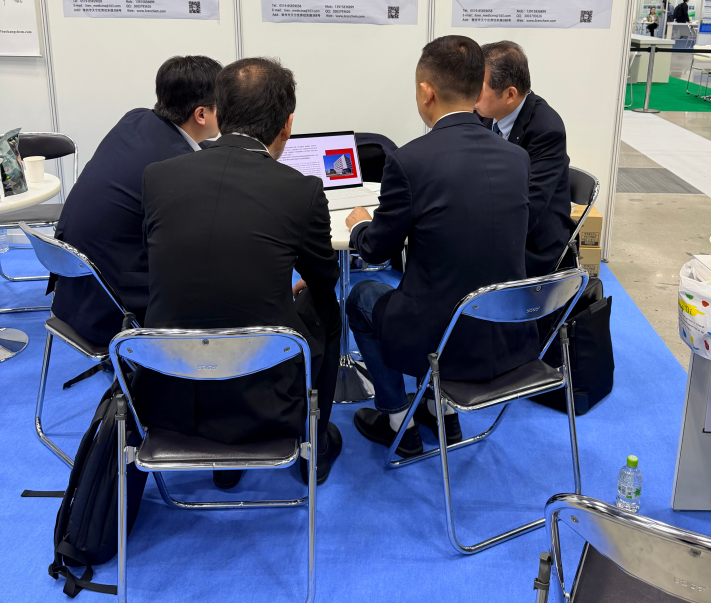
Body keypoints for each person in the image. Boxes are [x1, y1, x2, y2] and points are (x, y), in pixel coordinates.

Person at [135, 57, 343, 489]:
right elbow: (325, 280)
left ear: (219, 112)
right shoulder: (301, 190)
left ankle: (225, 465)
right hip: (265, 400)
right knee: (328, 308)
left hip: (168, 390)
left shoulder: (157, 177)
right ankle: (315, 446)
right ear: (287, 125)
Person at [344, 35, 536, 459]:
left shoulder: (410, 161)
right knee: (446, 283)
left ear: (426, 92)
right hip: (508, 335)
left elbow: (375, 252)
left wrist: (360, 227)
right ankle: (439, 409)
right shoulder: (516, 158)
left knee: (360, 297)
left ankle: (398, 419)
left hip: (440, 341)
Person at [50, 55, 222, 345]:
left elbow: (188, 148)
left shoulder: (136, 118)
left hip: (75, 285)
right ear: (201, 114)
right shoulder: (176, 170)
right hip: (114, 308)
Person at [476, 41, 574, 277]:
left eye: (478, 87)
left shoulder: (546, 130)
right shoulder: (484, 114)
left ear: (509, 94)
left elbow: (529, 207)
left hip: (533, 242)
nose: (470, 93)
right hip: (497, 219)